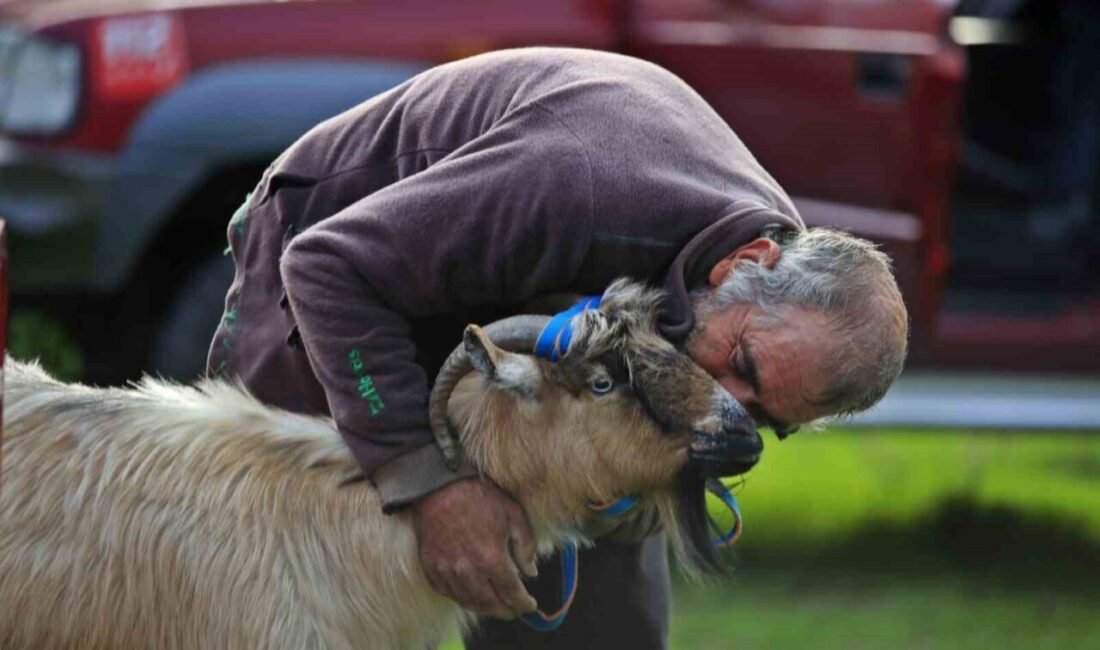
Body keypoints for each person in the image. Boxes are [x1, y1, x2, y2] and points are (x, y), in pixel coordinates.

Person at [207, 47, 908, 649]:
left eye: (762, 415)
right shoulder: (589, 184)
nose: (726, 405)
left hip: (535, 345)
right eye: (742, 367)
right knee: (285, 604)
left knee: (601, 632)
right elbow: (328, 266)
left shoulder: (760, 286)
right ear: (740, 264)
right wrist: (423, 482)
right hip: (340, 272)